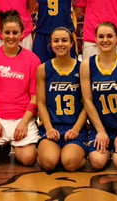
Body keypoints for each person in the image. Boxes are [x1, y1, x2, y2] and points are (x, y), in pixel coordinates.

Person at [0, 11, 41, 166]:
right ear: (1, 33)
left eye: (15, 33)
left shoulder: (33, 60)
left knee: (28, 159)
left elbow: (35, 97)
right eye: (7, 32)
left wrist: (25, 122)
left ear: (22, 34)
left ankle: (14, 141)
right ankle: (5, 144)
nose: (11, 36)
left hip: (22, 117)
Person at [81, 22, 117, 172]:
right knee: (97, 162)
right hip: (101, 125)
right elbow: (88, 100)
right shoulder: (87, 64)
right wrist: (100, 131)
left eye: (109, 36)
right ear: (95, 39)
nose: (105, 40)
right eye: (101, 36)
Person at [36, 27, 87, 171]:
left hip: (74, 128)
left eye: (64, 40)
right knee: (49, 163)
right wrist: (49, 128)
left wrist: (76, 129)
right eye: (56, 41)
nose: (60, 44)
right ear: (50, 45)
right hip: (53, 127)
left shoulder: (82, 68)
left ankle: (80, 155)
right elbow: (41, 103)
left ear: (72, 43)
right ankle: (41, 151)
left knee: (69, 163)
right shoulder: (43, 69)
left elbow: (87, 104)